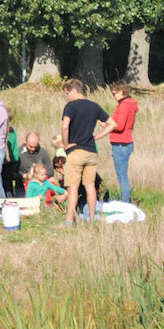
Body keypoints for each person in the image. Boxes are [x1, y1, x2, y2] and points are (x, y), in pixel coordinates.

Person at [58, 78, 110, 224]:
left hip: (76, 151)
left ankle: (69, 220)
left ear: (74, 91)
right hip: (91, 152)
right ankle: (93, 218)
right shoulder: (94, 106)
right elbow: (111, 124)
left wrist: (66, 144)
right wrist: (97, 137)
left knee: (73, 187)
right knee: (90, 186)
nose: (66, 97)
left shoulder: (71, 106)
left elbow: (65, 126)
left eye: (67, 93)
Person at [106, 81, 138, 203]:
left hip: (121, 143)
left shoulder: (124, 105)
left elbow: (119, 126)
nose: (114, 96)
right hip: (124, 142)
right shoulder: (129, 104)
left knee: (122, 177)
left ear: (121, 92)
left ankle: (125, 203)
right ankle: (125, 200)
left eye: (115, 94)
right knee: (122, 176)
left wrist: (108, 124)